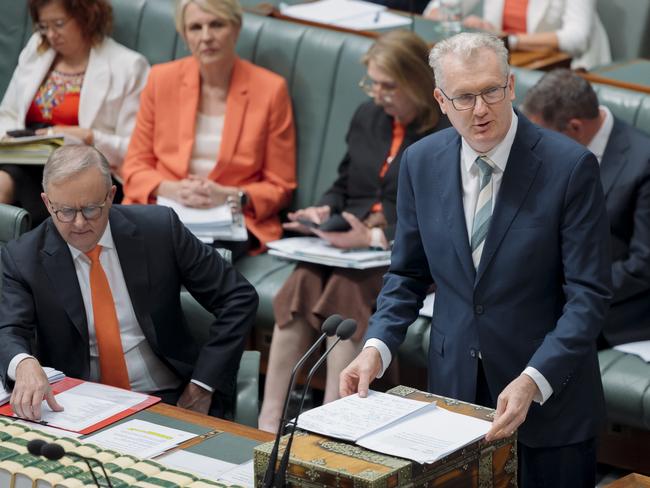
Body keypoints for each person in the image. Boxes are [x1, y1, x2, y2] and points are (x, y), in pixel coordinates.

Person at [340, 33, 611, 487]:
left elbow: (588, 297)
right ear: (440, 100)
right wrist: (376, 347)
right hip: (455, 392)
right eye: (464, 97)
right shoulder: (420, 162)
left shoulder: (570, 168)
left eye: (491, 91)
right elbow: (407, 273)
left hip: (548, 397)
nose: (480, 109)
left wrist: (532, 380)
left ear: (511, 86)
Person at [257, 30, 450, 434]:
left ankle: (327, 422)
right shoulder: (368, 116)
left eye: (388, 85)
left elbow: (443, 216)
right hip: (351, 246)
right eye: (372, 84)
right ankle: (268, 421)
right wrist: (325, 209)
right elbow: (345, 183)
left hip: (411, 258)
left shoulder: (443, 135)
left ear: (417, 81)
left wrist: (377, 238)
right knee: (301, 282)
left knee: (345, 287)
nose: (377, 94)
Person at [0, 145, 258, 421]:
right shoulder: (22, 258)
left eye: (90, 209)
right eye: (64, 210)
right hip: (80, 406)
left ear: (111, 196)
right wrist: (23, 363)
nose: (78, 223)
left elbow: (238, 297)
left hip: (170, 398)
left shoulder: (159, 230)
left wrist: (203, 385)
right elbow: (9, 329)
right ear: (47, 202)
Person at [122, 0, 296, 260]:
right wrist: (173, 189)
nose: (206, 37)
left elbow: (280, 186)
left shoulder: (270, 90)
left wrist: (229, 195)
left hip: (230, 218)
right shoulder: (161, 80)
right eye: (195, 27)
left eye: (216, 24)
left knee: (189, 260)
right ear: (184, 35)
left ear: (236, 29)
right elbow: (134, 167)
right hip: (165, 208)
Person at [521, 69, 650, 348]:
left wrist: (573, 290)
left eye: (542, 135)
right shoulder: (549, 150)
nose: (535, 145)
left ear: (575, 128)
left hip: (614, 304)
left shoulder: (644, 162)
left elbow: (643, 264)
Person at [0, 0, 149, 224]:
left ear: (86, 16)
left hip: (80, 168)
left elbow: (135, 150)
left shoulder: (128, 66)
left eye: (59, 24)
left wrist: (89, 136)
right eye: (43, 26)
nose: (50, 34)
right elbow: (8, 113)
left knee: (5, 180)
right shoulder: (37, 50)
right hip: (23, 152)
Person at [423, 0, 611, 69]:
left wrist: (506, 39)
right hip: (507, 59)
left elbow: (576, 38)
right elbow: (437, 9)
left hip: (566, 66)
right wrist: (459, 23)